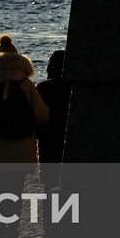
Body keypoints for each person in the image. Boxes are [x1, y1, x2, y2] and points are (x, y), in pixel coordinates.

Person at [0, 34, 49, 238]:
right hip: (22, 145)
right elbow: (42, 114)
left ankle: (2, 232)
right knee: (16, 191)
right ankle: (13, 235)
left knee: (2, 189)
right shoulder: (27, 83)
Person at [34, 49, 69, 191]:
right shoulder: (72, 87)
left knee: (49, 183)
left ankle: (49, 212)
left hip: (47, 138)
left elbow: (36, 115)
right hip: (67, 137)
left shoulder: (43, 88)